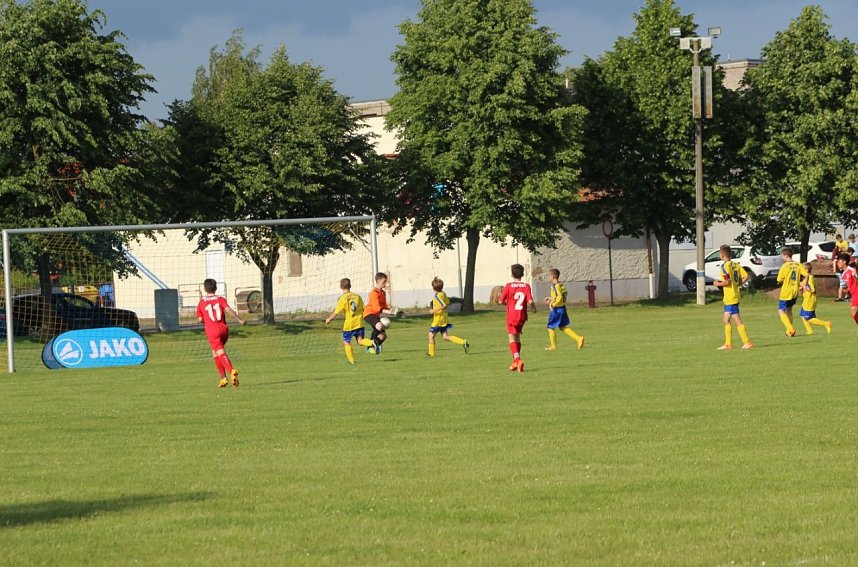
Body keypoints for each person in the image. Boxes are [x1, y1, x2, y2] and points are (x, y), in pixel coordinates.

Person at [196, 278, 245, 387]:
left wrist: (207, 321)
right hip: (224, 329)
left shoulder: (202, 303)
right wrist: (239, 320)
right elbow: (228, 310)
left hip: (212, 330)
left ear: (204, 289)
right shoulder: (220, 299)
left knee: (219, 352)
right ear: (216, 288)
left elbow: (200, 319)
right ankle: (223, 379)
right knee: (215, 352)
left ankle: (231, 370)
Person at [325, 278, 375, 364]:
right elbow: (364, 309)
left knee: (346, 342)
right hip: (359, 323)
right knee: (360, 341)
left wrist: (329, 319)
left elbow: (336, 312)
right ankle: (373, 342)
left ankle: (352, 361)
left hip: (349, 325)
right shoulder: (357, 296)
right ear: (350, 286)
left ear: (341, 287)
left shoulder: (342, 298)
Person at [713, 245, 753, 350]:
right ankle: (728, 344)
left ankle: (747, 342)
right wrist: (738, 284)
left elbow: (727, 282)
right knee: (725, 319)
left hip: (731, 297)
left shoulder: (724, 267)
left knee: (736, 319)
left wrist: (717, 284)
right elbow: (746, 276)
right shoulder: (736, 265)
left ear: (722, 255)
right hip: (734, 295)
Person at [499, 263, 536, 372]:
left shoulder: (509, 286)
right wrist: (533, 309)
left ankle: (518, 360)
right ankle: (515, 363)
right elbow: (530, 301)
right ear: (523, 274)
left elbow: (500, 301)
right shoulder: (526, 286)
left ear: (511, 274)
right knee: (517, 337)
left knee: (511, 338)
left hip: (512, 316)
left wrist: (508, 304)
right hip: (522, 316)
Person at [543, 268, 584, 351]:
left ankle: (553, 346)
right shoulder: (561, 285)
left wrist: (552, 304)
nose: (549, 277)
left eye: (549, 276)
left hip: (557, 309)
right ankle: (578, 338)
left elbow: (559, 297)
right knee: (562, 326)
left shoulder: (555, 286)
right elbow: (560, 295)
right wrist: (550, 298)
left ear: (553, 276)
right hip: (562, 308)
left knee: (550, 327)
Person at [426, 277, 469, 357]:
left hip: (438, 320)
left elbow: (444, 305)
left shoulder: (437, 296)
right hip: (444, 319)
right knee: (445, 336)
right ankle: (463, 342)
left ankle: (432, 353)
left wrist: (433, 310)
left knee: (431, 335)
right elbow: (448, 302)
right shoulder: (443, 294)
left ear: (433, 288)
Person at [775, 247, 807, 337]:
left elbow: (779, 280)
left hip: (786, 292)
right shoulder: (798, 264)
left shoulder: (785, 266)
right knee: (789, 310)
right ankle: (788, 332)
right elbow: (806, 274)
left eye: (782, 256)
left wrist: (781, 282)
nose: (782, 258)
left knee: (781, 311)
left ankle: (790, 329)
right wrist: (804, 283)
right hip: (794, 291)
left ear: (785, 255)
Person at [798, 262, 832, 335]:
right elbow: (803, 286)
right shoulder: (806, 278)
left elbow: (812, 289)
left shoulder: (810, 278)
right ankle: (810, 331)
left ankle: (826, 323)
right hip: (806, 300)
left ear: (806, 270)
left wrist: (804, 287)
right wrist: (801, 288)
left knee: (809, 318)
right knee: (802, 315)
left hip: (810, 300)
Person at [363, 272, 393, 354]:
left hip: (376, 315)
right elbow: (377, 308)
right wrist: (385, 311)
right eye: (384, 281)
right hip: (369, 314)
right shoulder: (374, 293)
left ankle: (372, 346)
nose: (385, 283)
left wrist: (393, 312)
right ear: (378, 280)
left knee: (383, 336)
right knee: (379, 325)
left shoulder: (382, 293)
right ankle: (370, 347)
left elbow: (384, 306)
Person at [835, 253, 858, 327]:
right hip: (854, 295)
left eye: (839, 261)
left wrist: (855, 276)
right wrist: (847, 290)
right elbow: (850, 284)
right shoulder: (843, 274)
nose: (837, 264)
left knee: (854, 314)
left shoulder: (851, 270)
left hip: (857, 294)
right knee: (854, 315)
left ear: (844, 262)